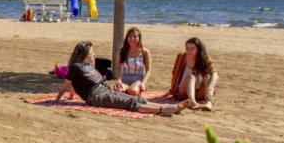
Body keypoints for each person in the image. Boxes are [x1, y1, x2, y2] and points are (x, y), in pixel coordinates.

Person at [56, 41, 189, 116]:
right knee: (128, 103)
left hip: (104, 91)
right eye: (92, 52)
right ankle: (163, 110)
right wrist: (57, 99)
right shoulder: (76, 67)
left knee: (135, 99)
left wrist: (72, 95)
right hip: (96, 96)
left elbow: (77, 84)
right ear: (85, 54)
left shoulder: (87, 67)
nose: (94, 54)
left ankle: (166, 106)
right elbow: (67, 84)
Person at [170, 37, 219, 111]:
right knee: (191, 77)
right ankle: (192, 102)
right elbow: (174, 74)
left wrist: (209, 88)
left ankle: (209, 103)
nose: (188, 51)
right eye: (187, 48)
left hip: (199, 91)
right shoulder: (181, 57)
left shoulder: (204, 59)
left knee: (208, 77)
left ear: (198, 50)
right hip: (182, 90)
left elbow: (215, 75)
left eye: (192, 48)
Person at [113, 27, 151, 96]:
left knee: (133, 91)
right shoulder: (121, 51)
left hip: (138, 80)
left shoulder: (145, 52)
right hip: (124, 80)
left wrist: (143, 83)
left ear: (139, 38)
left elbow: (148, 70)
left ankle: (130, 90)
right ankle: (127, 90)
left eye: (135, 36)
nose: (132, 38)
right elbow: (118, 67)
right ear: (127, 38)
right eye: (130, 36)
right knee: (117, 90)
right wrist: (118, 79)